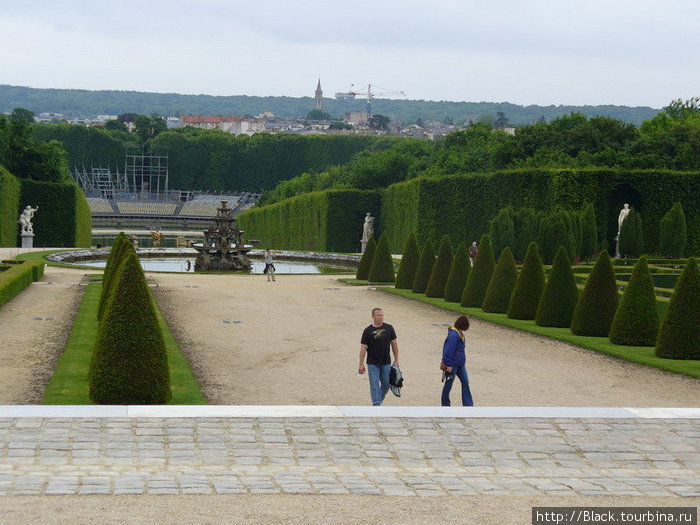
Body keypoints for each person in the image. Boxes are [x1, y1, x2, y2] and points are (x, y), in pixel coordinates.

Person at [358, 308, 399, 406]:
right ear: (373, 317)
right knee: (374, 385)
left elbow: (394, 345)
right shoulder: (367, 331)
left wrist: (396, 359)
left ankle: (378, 400)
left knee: (385, 384)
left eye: (382, 315)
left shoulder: (389, 328)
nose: (381, 317)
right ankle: (376, 404)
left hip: (386, 362)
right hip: (372, 363)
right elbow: (363, 348)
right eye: (378, 315)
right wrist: (361, 364)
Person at [441, 315, 474, 406]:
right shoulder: (453, 335)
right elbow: (448, 351)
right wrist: (448, 365)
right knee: (448, 384)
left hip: (460, 364)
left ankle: (468, 405)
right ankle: (445, 404)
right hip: (452, 365)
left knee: (465, 382)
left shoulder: (459, 334)